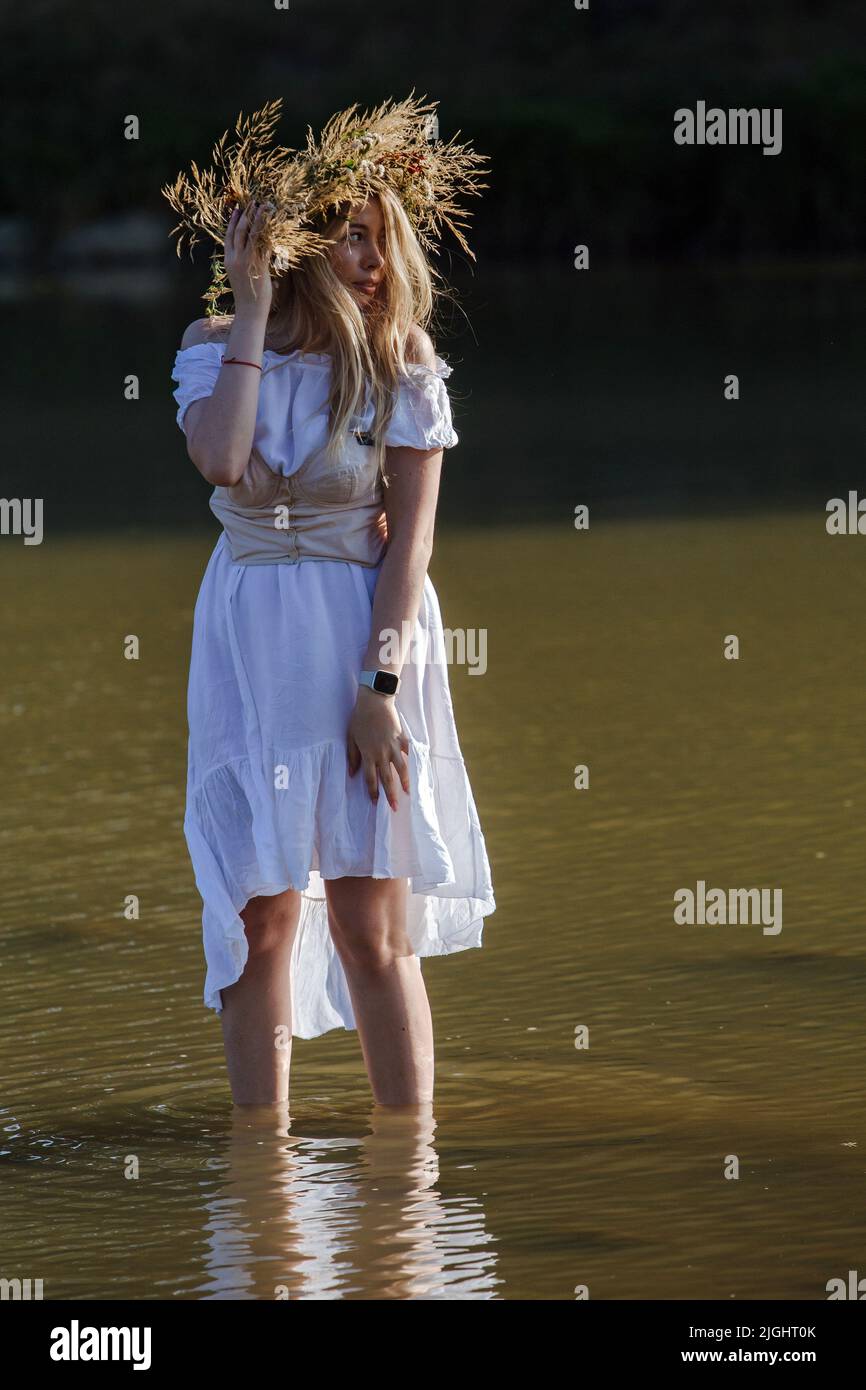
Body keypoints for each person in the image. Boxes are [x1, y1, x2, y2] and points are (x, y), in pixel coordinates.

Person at [167, 96, 495, 1108]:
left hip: (360, 631)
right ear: (298, 244)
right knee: (259, 912)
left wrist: (379, 687)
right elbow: (223, 461)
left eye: (380, 240)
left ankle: (409, 1170)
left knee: (367, 920)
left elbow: (413, 547)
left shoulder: (399, 366)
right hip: (246, 635)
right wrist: (255, 307)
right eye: (348, 236)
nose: (370, 260)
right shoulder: (218, 342)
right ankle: (262, 1164)